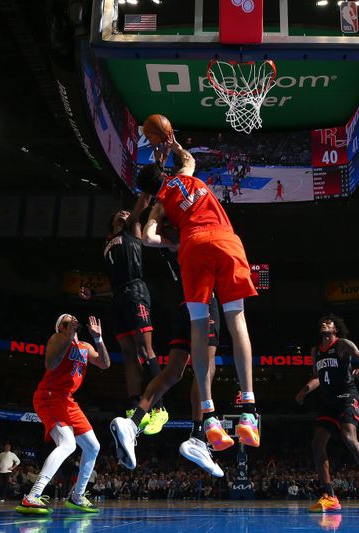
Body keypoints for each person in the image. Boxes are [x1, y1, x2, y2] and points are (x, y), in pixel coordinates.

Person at [136, 135, 260, 452]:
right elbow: (189, 158)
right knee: (237, 320)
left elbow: (148, 239)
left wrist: (171, 241)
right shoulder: (185, 175)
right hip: (226, 240)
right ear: (165, 174)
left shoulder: (159, 203)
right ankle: (248, 411)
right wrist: (173, 144)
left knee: (198, 328)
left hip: (193, 247)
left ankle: (208, 416)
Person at [111, 246, 223, 477]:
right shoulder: (193, 236)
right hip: (203, 300)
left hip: (181, 303)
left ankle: (133, 423)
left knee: (174, 371)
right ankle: (198, 437)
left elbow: (150, 236)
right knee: (206, 368)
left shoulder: (169, 237)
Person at [80, 202, 169, 435]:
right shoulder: (107, 244)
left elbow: (141, 205)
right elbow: (113, 282)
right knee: (129, 355)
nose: (124, 212)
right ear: (111, 222)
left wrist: (151, 181)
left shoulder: (132, 230)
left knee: (144, 350)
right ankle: (134, 407)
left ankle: (159, 408)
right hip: (118, 297)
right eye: (119, 212)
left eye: (127, 212)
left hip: (136, 292)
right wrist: (95, 293)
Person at [16, 314, 110, 515]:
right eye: (68, 322)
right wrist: (68, 337)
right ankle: (32, 496)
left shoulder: (85, 346)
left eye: (74, 320)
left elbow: (104, 364)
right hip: (49, 396)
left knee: (93, 446)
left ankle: (77, 496)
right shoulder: (57, 338)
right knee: (68, 444)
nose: (73, 322)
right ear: (61, 327)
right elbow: (50, 364)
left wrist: (98, 339)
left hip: (68, 400)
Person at [295, 315, 359, 513]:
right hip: (328, 401)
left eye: (328, 322)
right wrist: (304, 390)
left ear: (336, 329)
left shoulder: (343, 344)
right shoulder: (315, 351)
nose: (323, 323)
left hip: (346, 395)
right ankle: (329, 496)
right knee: (317, 443)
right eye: (322, 322)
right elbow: (317, 378)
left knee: (348, 437)